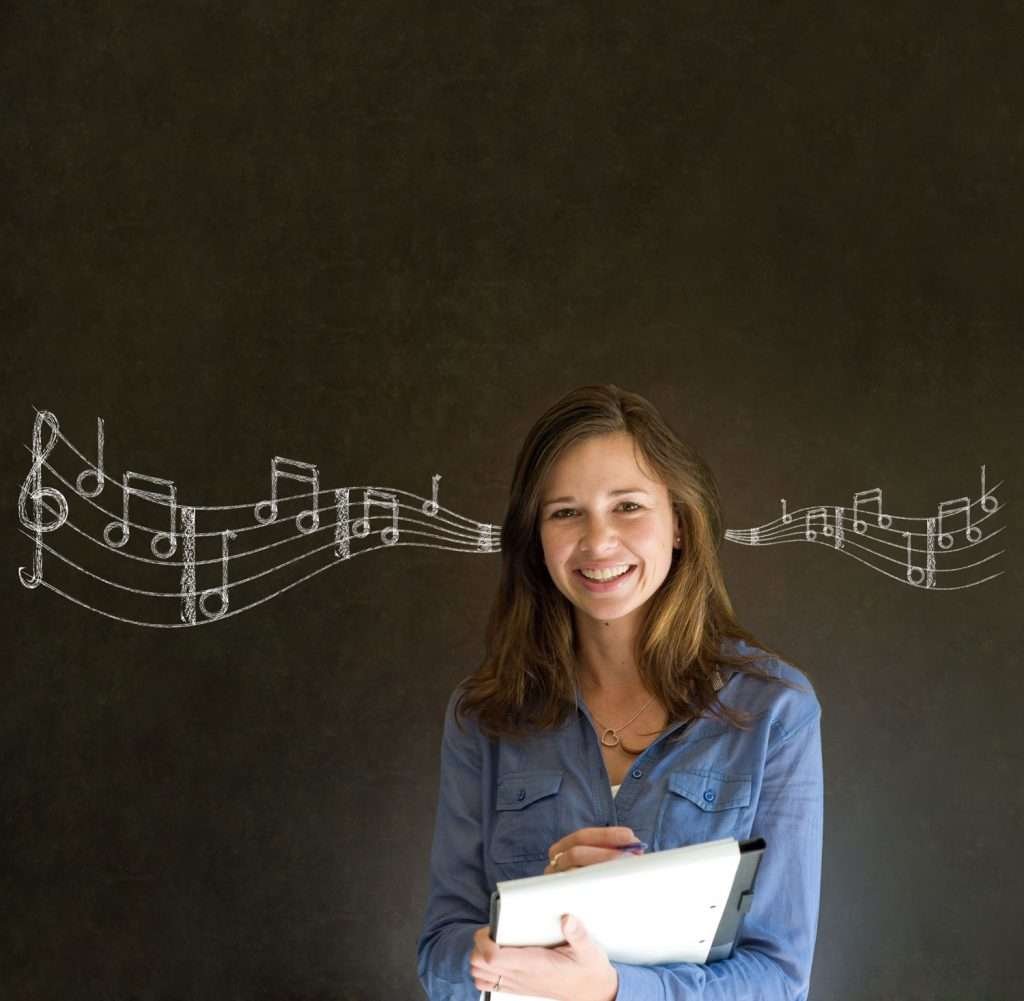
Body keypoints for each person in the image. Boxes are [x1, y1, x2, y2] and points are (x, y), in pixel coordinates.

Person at [417, 385, 823, 1001]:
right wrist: (519, 931)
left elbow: (779, 977)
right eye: (565, 512)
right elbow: (441, 955)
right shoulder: (483, 716)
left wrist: (612, 990)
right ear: (537, 539)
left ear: (680, 523)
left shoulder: (776, 712)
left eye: (628, 506)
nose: (599, 541)